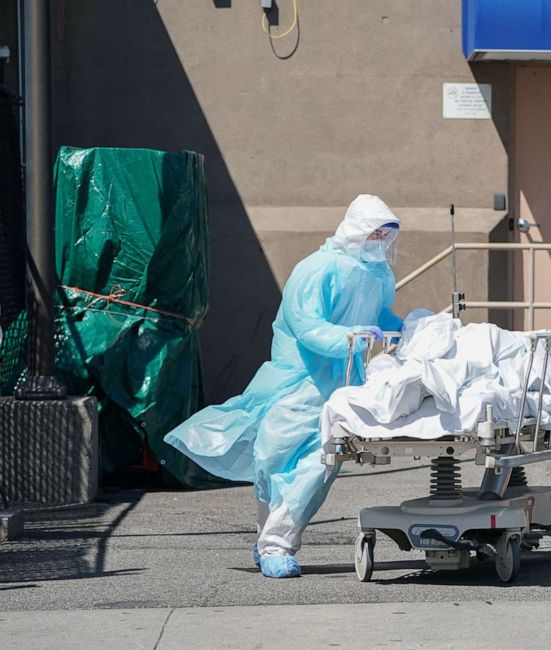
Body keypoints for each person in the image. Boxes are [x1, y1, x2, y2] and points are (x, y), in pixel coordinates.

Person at [165, 194, 406, 578]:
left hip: (341, 388)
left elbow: (377, 315)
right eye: (375, 231)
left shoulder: (378, 275)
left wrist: (400, 325)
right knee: (273, 461)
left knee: (316, 467)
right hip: (298, 383)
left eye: (386, 234)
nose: (380, 240)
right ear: (357, 228)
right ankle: (268, 540)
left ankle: (277, 544)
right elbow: (306, 325)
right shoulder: (319, 269)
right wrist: (350, 336)